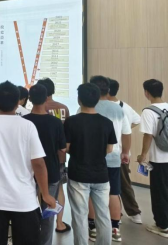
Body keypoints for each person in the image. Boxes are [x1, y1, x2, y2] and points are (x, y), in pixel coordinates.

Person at [0, 81, 55, 245]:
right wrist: (45, 194)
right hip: (24, 200)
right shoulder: (27, 126)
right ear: (18, 102)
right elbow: (38, 163)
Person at [65, 83, 117, 245]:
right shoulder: (107, 122)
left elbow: (66, 147)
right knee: (104, 215)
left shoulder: (71, 122)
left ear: (79, 100)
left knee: (79, 216)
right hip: (101, 175)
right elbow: (109, 149)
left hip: (78, 174)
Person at [87, 76, 131, 242]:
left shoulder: (87, 107)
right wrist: (125, 152)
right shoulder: (118, 109)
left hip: (92, 159)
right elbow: (127, 133)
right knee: (114, 192)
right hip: (113, 158)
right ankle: (115, 228)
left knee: (92, 192)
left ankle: (93, 227)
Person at [23, 84, 67, 245]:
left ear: (30, 98)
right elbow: (62, 149)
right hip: (51, 171)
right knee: (48, 212)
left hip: (27, 172)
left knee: (27, 209)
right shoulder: (55, 122)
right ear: (46, 98)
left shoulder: (24, 121)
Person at [37, 77, 71, 234]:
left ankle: (40, 222)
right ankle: (59, 223)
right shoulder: (64, 108)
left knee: (39, 189)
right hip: (59, 157)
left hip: (38, 158)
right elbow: (67, 134)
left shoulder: (37, 109)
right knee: (59, 190)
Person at [108, 78, 142, 224]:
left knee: (116, 185)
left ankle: (130, 213)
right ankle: (125, 213)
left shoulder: (104, 107)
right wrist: (125, 129)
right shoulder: (125, 106)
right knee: (123, 183)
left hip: (115, 152)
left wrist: (123, 129)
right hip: (123, 152)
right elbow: (137, 120)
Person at [138, 79, 168, 238]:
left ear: (146, 93)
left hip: (159, 159)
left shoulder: (149, 112)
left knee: (159, 193)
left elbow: (148, 135)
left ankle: (163, 226)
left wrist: (143, 155)